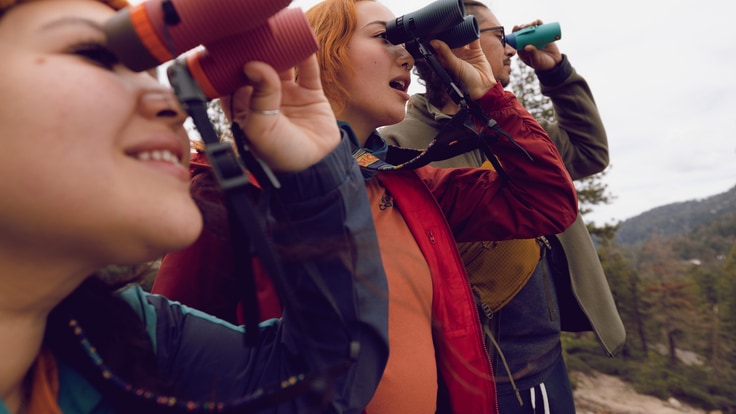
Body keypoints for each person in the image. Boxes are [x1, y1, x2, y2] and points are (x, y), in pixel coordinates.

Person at [152, 0, 580, 412]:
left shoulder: (411, 187)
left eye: (405, 43)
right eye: (384, 37)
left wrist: (489, 95)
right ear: (320, 56)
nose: (407, 58)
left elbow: (547, 202)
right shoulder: (237, 191)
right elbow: (165, 368)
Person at [0, 0, 391, 412]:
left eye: (150, 75)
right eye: (94, 55)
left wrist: (314, 172)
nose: (173, 107)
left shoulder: (125, 340)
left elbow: (322, 386)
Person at [381, 1, 627, 413]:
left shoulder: (518, 128)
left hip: (546, 352)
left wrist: (556, 71)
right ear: (459, 45)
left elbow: (589, 152)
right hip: (481, 370)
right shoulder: (400, 146)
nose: (512, 49)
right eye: (499, 37)